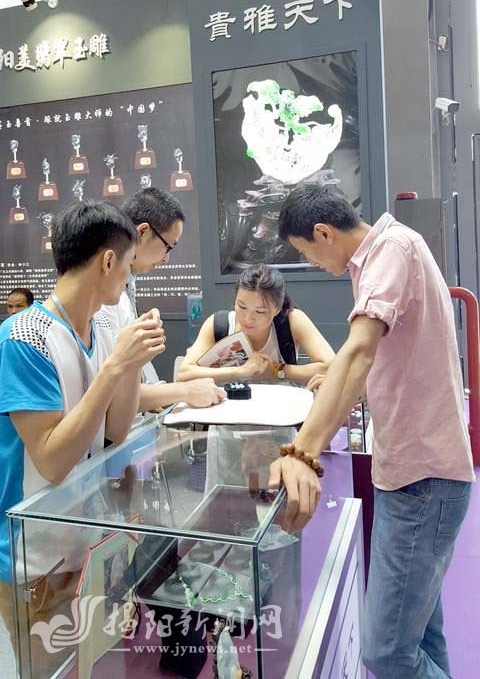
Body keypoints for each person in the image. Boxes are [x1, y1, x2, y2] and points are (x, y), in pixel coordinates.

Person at [268, 183, 474, 679]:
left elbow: (359, 351)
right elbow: (372, 361)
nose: (312, 264)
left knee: (386, 652)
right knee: (420, 637)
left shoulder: (391, 248)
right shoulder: (380, 257)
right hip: (409, 474)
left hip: (423, 479)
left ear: (323, 232)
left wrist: (302, 453)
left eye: (306, 253)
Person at [0, 201, 166, 674]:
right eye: (128, 266)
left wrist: (130, 364)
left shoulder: (101, 327)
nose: (129, 279)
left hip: (87, 542)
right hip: (36, 558)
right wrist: (115, 367)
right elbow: (52, 461)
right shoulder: (24, 337)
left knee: (92, 663)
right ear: (108, 262)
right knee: (50, 667)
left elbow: (116, 429)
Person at [102, 188, 225, 410]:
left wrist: (158, 394)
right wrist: (184, 391)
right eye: (168, 246)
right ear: (142, 232)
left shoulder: (125, 285)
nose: (166, 259)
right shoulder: (107, 296)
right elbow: (108, 391)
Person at [177, 263, 334, 385]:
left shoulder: (292, 320)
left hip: (281, 411)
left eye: (259, 311)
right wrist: (240, 371)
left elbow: (330, 367)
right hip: (227, 411)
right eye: (241, 307)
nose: (248, 318)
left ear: (277, 309)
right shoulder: (219, 325)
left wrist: (276, 370)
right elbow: (184, 374)